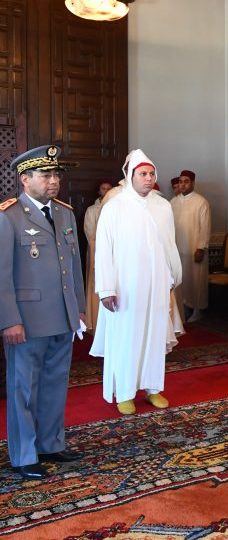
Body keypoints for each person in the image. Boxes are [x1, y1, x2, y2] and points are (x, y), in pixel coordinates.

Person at [0, 144, 86, 479]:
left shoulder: (65, 212)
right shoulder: (8, 216)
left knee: (54, 383)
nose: (54, 181)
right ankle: (24, 455)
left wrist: (77, 309)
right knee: (23, 388)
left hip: (62, 316)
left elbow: (74, 266)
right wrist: (9, 319)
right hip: (27, 320)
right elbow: (2, 275)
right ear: (25, 179)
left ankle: (51, 443)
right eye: (45, 174)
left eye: (56, 174)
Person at [91, 149, 182, 415]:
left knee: (153, 337)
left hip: (156, 286)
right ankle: (125, 392)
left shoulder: (163, 206)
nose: (148, 178)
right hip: (125, 288)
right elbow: (104, 250)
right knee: (127, 339)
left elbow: (169, 246)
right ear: (130, 176)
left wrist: (173, 276)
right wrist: (106, 288)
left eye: (151, 173)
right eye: (142, 173)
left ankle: (153, 388)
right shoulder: (114, 207)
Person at [172, 169, 210, 323]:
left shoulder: (201, 202)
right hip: (177, 249)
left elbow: (205, 226)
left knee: (196, 280)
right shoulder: (173, 202)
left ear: (193, 183)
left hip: (194, 248)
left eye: (186, 181)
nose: (183, 184)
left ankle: (197, 310)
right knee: (181, 280)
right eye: (180, 182)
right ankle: (183, 308)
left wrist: (201, 247)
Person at [83, 180, 113, 333]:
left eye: (109, 188)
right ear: (99, 191)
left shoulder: (116, 207)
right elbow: (90, 234)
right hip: (96, 250)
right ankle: (94, 319)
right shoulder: (92, 210)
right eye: (103, 188)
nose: (106, 191)